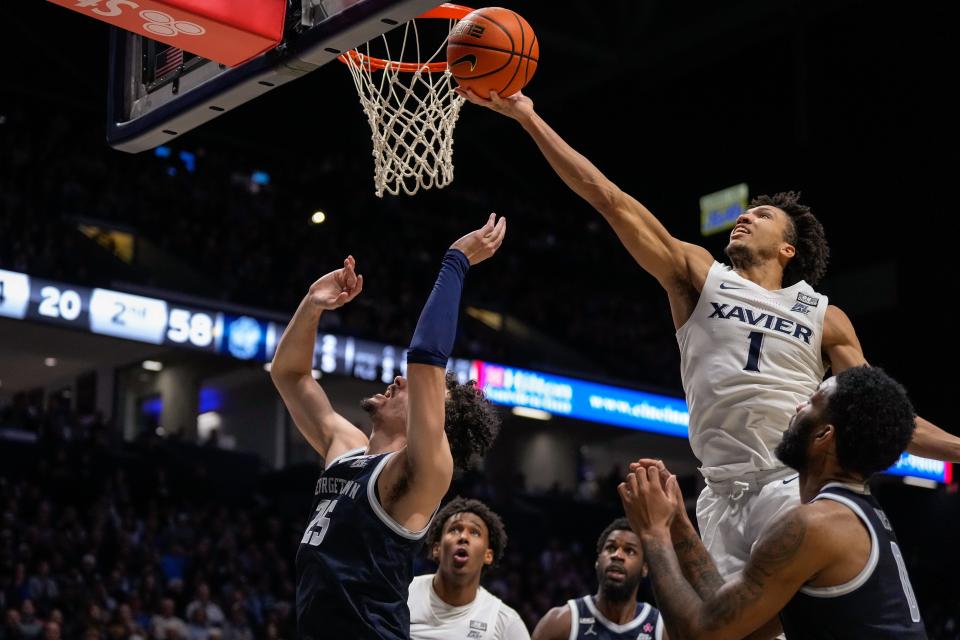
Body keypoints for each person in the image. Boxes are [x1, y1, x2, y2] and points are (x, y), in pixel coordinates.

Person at [458, 88, 959, 580]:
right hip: (719, 496)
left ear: (788, 250)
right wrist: (528, 117)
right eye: (747, 211)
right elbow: (608, 198)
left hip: (793, 483)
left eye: (761, 216)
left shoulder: (826, 317)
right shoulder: (700, 275)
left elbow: (885, 420)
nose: (745, 216)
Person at [270, 214, 507, 639]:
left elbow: (423, 357)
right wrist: (312, 303)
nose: (399, 380)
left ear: (431, 415)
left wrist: (456, 260)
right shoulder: (346, 449)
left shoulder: (423, 471)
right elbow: (290, 375)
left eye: (413, 388)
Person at [618, 366, 928, 639]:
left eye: (811, 402)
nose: (797, 406)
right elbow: (731, 622)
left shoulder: (815, 526)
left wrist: (652, 533)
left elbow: (700, 635)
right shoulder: (852, 516)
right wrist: (675, 523)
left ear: (823, 435)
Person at [408, 496, 528, 640]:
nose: (463, 537)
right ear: (437, 549)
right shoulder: (404, 594)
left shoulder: (505, 623)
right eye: (454, 530)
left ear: (488, 555)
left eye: (475, 532)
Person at [532, 518, 666, 640]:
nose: (617, 555)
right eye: (611, 548)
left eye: (629, 551)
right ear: (597, 561)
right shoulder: (561, 622)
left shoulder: (661, 629)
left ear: (645, 568)